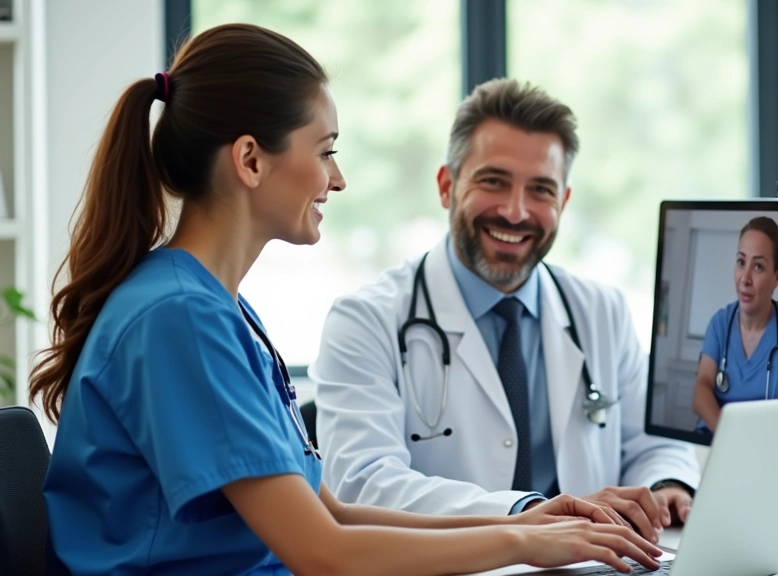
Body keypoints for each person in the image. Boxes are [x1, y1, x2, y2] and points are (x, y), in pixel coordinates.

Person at [31, 24, 664, 576]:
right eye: (326, 150)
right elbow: (324, 555)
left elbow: (329, 511)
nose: (337, 177)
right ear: (250, 160)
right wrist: (524, 540)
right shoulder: (179, 319)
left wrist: (545, 527)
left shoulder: (213, 308)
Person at [310, 78, 701, 544]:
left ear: (564, 201)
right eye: (493, 181)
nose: (516, 212)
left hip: (593, 565)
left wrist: (666, 486)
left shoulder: (602, 311)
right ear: (445, 186)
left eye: (541, 190)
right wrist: (529, 514)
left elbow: (652, 443)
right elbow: (363, 485)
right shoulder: (365, 321)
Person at [692, 216, 778, 436]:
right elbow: (701, 390)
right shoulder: (720, 323)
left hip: (767, 452)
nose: (745, 278)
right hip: (715, 442)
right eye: (741, 262)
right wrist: (730, 439)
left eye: (758, 266)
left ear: (777, 277)